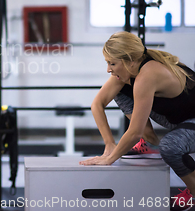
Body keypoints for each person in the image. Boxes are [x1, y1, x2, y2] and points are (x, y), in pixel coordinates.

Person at [80, 31, 195, 211]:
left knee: (170, 147)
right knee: (119, 90)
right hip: (179, 117)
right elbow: (97, 104)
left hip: (191, 120)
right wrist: (109, 144)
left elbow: (135, 132)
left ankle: (194, 192)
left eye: (112, 63)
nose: (108, 69)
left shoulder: (148, 74)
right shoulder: (133, 68)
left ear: (129, 60)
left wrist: (110, 159)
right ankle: (150, 144)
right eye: (107, 63)